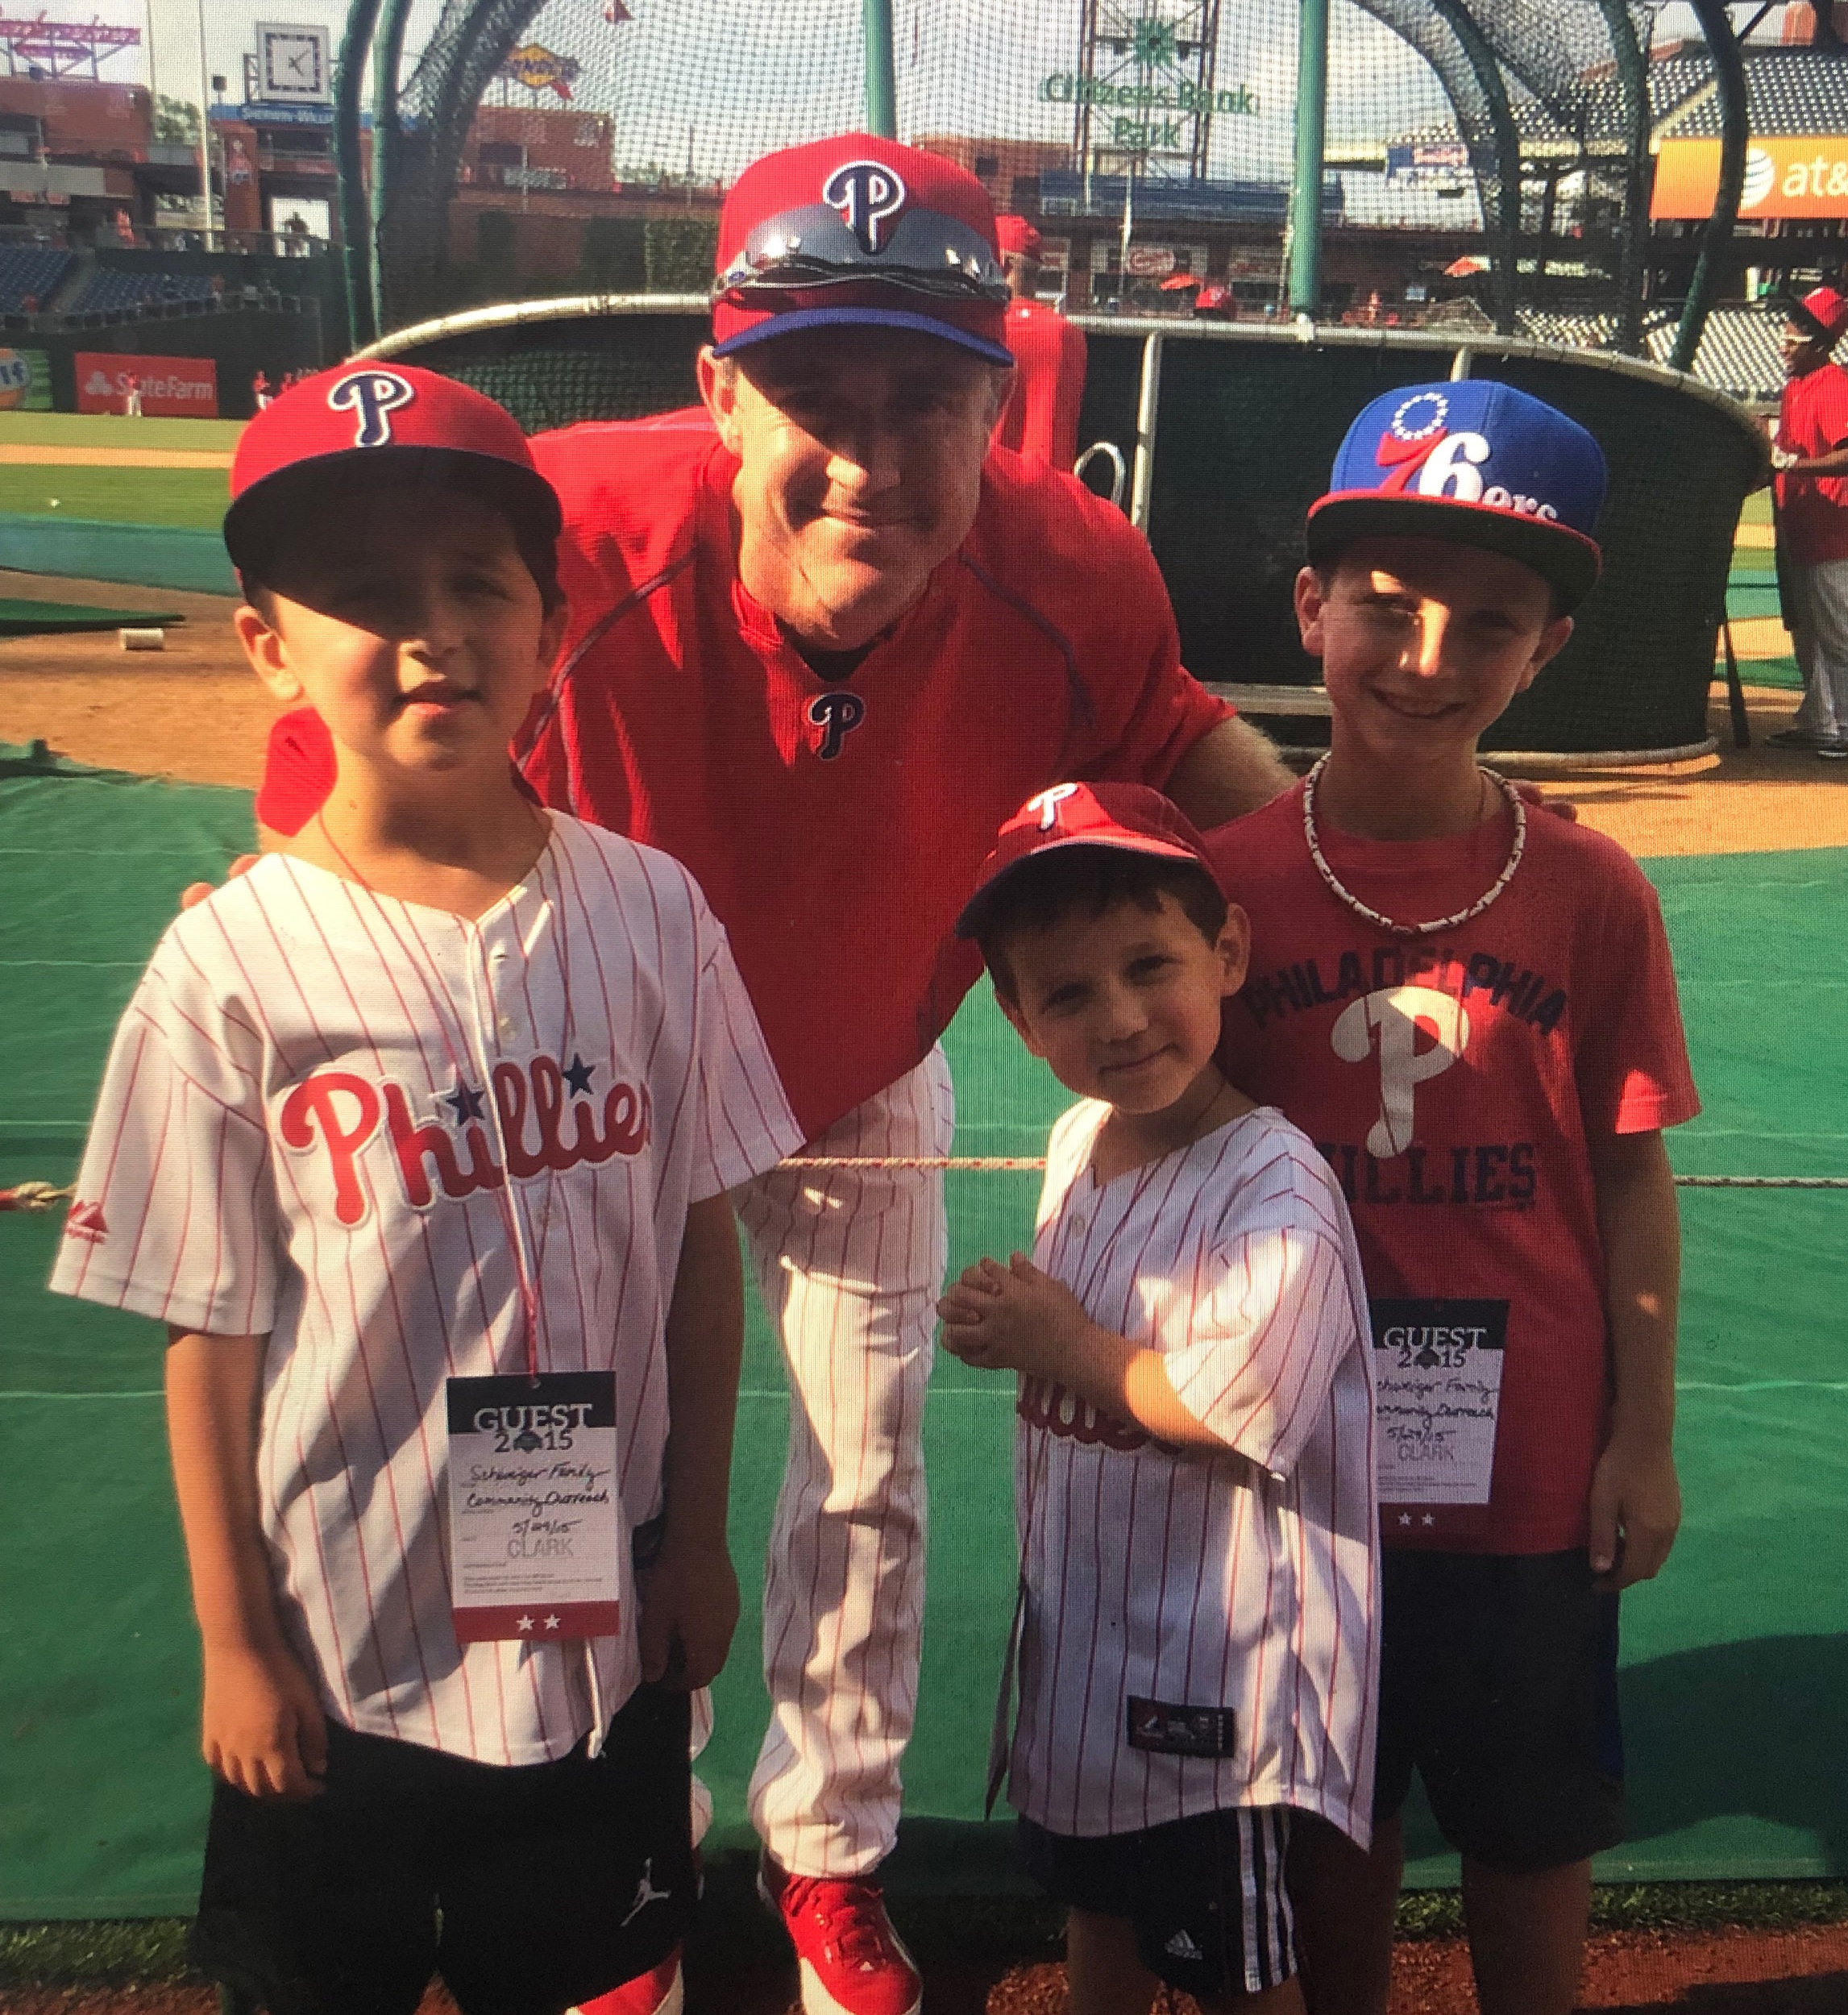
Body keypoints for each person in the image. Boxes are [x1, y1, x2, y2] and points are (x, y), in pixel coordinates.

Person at [241, 133, 1292, 2015]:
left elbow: (1186, 742)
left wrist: (1384, 912)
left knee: (866, 1480)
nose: (872, 460)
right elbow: (341, 824)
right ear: (718, 395)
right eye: (814, 394)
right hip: (593, 1095)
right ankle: (594, 1877)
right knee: (563, 1474)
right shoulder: (557, 551)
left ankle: (828, 1864)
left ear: (1004, 403)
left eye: (927, 400)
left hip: (857, 1066)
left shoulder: (1072, 566)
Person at [54, 366, 802, 2015]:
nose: (430, 631)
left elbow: (697, 1239)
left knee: (587, 1973)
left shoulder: (651, 914)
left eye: (476, 583)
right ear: (267, 643)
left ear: (551, 620)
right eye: (366, 594)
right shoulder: (229, 966)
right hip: (337, 1639)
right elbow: (209, 1330)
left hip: (602, 1613)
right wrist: (234, 1640)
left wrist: (689, 1537)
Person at [1210, 380, 1698, 2015]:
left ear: (1543, 649)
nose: (1424, 657)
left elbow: (1627, 1173)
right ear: (1308, 605)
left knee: (1526, 1828)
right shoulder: (1222, 891)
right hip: (1303, 1455)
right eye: (1385, 605)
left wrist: (1638, 1434)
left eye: (1484, 622)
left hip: (1529, 1470)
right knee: (1331, 1828)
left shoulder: (1587, 888)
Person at [939, 782, 1378, 2015]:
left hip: (1217, 1683)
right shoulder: (1080, 1139)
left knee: (1234, 1969)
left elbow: (1240, 1402)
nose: (1122, 1018)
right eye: (1070, 993)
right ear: (1020, 1019)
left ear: (1226, 951)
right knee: (1103, 1910)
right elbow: (1072, 1348)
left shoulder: (1277, 1179)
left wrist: (1056, 1337)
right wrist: (1014, 1328)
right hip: (1092, 1649)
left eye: (1150, 966)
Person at [1764, 285, 1848, 762]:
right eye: (1785, 331)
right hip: (1802, 527)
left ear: (1817, 339)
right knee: (1807, 631)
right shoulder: (1797, 386)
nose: (1783, 342)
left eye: (1793, 334)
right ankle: (1818, 723)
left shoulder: (1834, 383)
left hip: (1834, 528)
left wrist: (1794, 467)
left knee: (1841, 633)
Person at [994, 213, 1088, 472]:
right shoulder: (1069, 334)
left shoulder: (982, 326)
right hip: (1046, 494)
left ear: (1003, 263)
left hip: (983, 491)